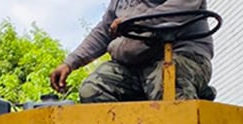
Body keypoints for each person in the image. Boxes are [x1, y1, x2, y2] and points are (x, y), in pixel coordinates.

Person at [50, 0, 214, 103]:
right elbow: (104, 31)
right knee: (93, 89)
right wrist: (70, 63)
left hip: (181, 55)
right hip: (135, 64)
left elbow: (183, 5)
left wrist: (138, 22)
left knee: (166, 85)